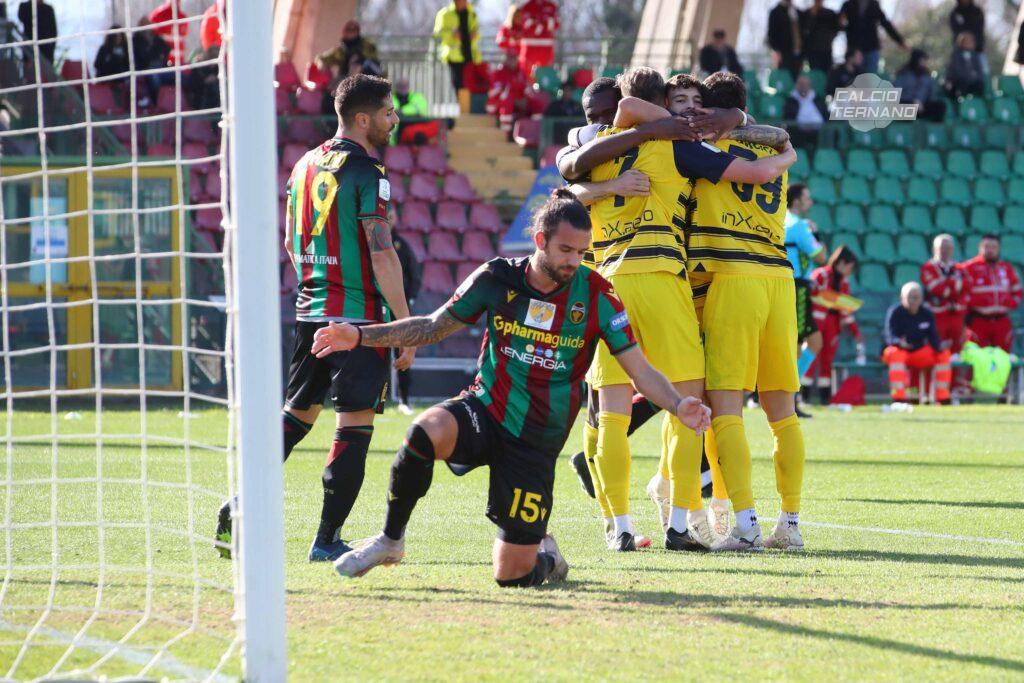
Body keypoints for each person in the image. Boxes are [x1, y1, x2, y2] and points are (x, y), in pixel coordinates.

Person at [328, 189, 712, 585]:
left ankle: (547, 558)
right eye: (565, 250)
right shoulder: (496, 277)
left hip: (535, 443)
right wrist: (359, 335)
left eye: (582, 252)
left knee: (511, 576)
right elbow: (432, 327)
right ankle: (391, 541)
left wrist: (677, 404)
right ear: (540, 240)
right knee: (424, 432)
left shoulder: (598, 295)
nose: (573, 261)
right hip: (486, 409)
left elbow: (640, 370)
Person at [558, 67, 795, 552]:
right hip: (668, 275)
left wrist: (605, 185)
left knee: (608, 413)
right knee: (690, 402)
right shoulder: (676, 146)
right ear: (661, 104)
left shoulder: (592, 150)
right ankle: (683, 523)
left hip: (606, 282)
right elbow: (756, 169)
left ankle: (619, 527)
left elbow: (566, 184)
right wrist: (782, 147)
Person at [216, 74, 411, 563]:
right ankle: (327, 539)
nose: (394, 119)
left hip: (310, 313)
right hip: (358, 322)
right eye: (388, 111)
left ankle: (239, 501)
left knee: (297, 415)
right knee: (354, 426)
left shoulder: (303, 165)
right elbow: (382, 252)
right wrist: (404, 325)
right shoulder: (369, 172)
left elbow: (289, 241)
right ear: (362, 119)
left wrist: (317, 283)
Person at [628, 71, 803, 552]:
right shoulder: (770, 144)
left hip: (726, 278)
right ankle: (788, 521)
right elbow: (774, 145)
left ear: (709, 111)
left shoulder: (698, 148)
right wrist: (783, 147)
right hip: (779, 279)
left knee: (717, 407)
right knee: (783, 415)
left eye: (695, 104)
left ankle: (739, 522)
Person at [784, 183, 827, 417]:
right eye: (807, 198)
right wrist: (815, 234)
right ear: (797, 200)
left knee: (808, 342)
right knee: (802, 343)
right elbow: (821, 256)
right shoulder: (800, 226)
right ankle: (789, 396)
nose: (810, 202)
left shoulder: (780, 221)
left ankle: (789, 393)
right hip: (797, 287)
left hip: (787, 286)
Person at [806, 246, 864, 404]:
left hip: (832, 325)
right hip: (816, 323)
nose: (849, 272)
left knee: (827, 361)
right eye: (850, 267)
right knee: (811, 358)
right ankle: (803, 397)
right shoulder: (820, 275)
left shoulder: (843, 282)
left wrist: (856, 333)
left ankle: (825, 399)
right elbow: (811, 296)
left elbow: (846, 308)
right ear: (842, 263)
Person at [882, 282, 951, 403]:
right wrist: (899, 343)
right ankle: (898, 398)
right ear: (902, 298)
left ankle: (943, 398)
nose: (914, 301)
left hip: (918, 352)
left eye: (917, 297)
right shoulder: (895, 312)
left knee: (943, 354)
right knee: (895, 354)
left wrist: (939, 347)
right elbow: (889, 337)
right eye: (910, 297)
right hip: (900, 351)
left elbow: (933, 337)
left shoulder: (926, 313)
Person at [962, 235, 1022, 352]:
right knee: (978, 356)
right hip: (978, 320)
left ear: (998, 249)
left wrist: (1010, 303)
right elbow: (961, 293)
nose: (990, 250)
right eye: (987, 247)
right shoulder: (969, 268)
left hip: (1002, 321)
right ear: (980, 248)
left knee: (1003, 356)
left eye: (993, 247)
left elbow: (1017, 291)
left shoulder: (1006, 268)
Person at [390, 211, 421, 416]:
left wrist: (407, 301)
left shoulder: (402, 245)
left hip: (399, 309)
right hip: (374, 306)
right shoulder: (368, 243)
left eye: (392, 216)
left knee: (403, 352)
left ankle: (404, 400)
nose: (389, 219)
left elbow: (414, 275)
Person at [920, 234, 967, 353]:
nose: (945, 251)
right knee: (937, 349)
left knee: (958, 350)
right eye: (942, 247)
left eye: (948, 247)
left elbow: (967, 286)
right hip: (936, 315)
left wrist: (945, 283)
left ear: (953, 249)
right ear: (934, 249)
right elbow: (938, 289)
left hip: (956, 314)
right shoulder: (928, 267)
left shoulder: (960, 268)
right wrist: (955, 284)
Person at [838, 0, 907, 75]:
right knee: (853, 76)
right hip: (854, 49)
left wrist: (900, 41)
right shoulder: (848, 5)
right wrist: (844, 27)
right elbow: (839, 24)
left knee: (871, 75)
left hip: (871, 48)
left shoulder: (874, 5)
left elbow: (885, 24)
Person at [433, 0, 482, 93]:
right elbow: (437, 34)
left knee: (471, 85)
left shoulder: (472, 13)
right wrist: (452, 34)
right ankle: (463, 101)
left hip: (471, 55)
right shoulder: (445, 14)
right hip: (454, 57)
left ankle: (469, 102)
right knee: (459, 85)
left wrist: (474, 35)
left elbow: (477, 31)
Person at [893, 49, 945, 122]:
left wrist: (922, 102)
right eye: (922, 61)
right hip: (908, 104)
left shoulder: (927, 76)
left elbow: (933, 93)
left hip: (922, 106)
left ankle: (934, 127)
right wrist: (913, 101)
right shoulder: (903, 74)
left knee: (940, 106)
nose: (924, 63)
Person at [486, 50, 531, 133]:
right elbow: (497, 93)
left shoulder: (520, 73)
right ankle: (506, 131)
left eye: (514, 58)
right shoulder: (498, 73)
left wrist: (525, 99)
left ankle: (535, 131)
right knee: (508, 98)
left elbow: (527, 89)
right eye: (510, 58)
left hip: (517, 105)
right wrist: (515, 100)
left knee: (536, 101)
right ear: (505, 59)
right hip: (497, 105)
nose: (512, 60)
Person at [132, 16, 171, 107]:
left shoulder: (156, 38)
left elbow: (166, 49)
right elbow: (139, 57)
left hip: (161, 67)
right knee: (154, 79)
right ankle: (156, 103)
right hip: (145, 70)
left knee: (179, 76)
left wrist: (161, 58)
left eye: (148, 23)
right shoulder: (136, 40)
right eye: (144, 23)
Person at [515, 0, 559, 80]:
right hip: (529, 47)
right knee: (526, 72)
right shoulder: (526, 6)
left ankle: (543, 87)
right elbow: (526, 26)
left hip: (546, 47)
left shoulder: (551, 6)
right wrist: (542, 25)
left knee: (545, 73)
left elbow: (555, 24)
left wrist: (538, 24)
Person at [783, 74, 827, 146]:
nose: (803, 87)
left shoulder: (817, 99)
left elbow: (825, 114)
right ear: (796, 85)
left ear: (810, 86)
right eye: (801, 84)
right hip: (798, 132)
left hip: (819, 132)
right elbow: (788, 118)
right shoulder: (791, 100)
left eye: (806, 84)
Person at [800, 0, 839, 73]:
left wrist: (830, 39)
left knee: (827, 73)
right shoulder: (807, 13)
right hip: (812, 51)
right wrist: (812, 15)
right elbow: (804, 30)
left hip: (826, 50)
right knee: (815, 73)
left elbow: (836, 29)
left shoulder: (830, 13)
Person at [945, 32, 986, 100]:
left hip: (973, 82)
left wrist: (975, 78)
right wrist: (967, 77)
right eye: (967, 42)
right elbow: (956, 71)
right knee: (961, 84)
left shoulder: (976, 56)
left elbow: (980, 71)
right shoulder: (955, 56)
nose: (970, 44)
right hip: (960, 82)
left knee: (980, 85)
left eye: (971, 42)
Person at [768, 0, 803, 79]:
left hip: (797, 55)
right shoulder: (775, 12)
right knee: (784, 79)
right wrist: (776, 50)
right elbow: (771, 34)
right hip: (783, 55)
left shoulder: (797, 11)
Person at [148, 1, 189, 65]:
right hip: (163, 63)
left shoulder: (183, 17)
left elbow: (182, 40)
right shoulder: (158, 15)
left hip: (180, 61)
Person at [950, 0, 986, 72]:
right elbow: (955, 30)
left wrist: (974, 42)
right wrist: (963, 40)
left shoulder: (977, 12)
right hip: (959, 53)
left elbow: (979, 30)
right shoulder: (955, 13)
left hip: (977, 51)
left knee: (984, 71)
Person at [93, 26, 130, 96]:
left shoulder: (126, 49)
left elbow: (129, 65)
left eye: (120, 36)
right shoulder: (104, 49)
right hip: (107, 80)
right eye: (116, 36)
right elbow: (97, 64)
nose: (118, 38)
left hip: (122, 80)